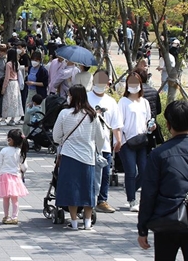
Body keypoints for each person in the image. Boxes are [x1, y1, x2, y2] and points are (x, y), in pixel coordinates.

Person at [138, 100, 188, 258]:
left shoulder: (159, 154)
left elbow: (148, 193)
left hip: (167, 219)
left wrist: (142, 228)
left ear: (167, 124)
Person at [53, 84, 106, 230]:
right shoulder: (93, 115)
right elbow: (100, 137)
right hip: (88, 157)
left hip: (69, 156)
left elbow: (56, 136)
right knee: (87, 189)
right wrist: (97, 150)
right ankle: (88, 222)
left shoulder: (65, 114)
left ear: (73, 96)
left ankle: (74, 222)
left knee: (72, 189)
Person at [118, 72, 155, 212]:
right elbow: (119, 123)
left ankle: (130, 188)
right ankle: (132, 200)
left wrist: (151, 126)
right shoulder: (123, 102)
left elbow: (148, 120)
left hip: (141, 140)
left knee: (145, 170)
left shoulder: (144, 102)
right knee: (130, 171)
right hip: (127, 142)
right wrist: (118, 141)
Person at [87, 69, 122, 214]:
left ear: (108, 82)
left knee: (105, 174)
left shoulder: (111, 102)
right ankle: (88, 200)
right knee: (88, 173)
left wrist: (118, 139)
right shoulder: (85, 97)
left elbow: (116, 124)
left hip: (105, 144)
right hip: (87, 143)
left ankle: (102, 200)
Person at [0, 129, 29, 224]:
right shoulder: (20, 152)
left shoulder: (4, 150)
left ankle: (6, 216)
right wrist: (22, 170)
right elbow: (24, 166)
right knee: (15, 199)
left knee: (5, 198)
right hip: (15, 177)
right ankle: (15, 217)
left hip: (4, 176)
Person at [136, 67, 164, 151]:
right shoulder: (154, 91)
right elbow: (158, 110)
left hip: (138, 128)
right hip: (152, 127)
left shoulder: (133, 94)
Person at [0, 49, 23, 127]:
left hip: (10, 83)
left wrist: (3, 88)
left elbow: (7, 77)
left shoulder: (8, 64)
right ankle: (13, 119)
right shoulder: (17, 63)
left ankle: (4, 118)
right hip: (16, 83)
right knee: (15, 101)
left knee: (7, 100)